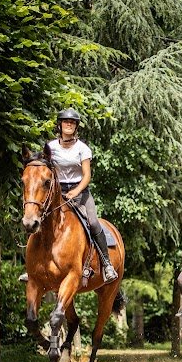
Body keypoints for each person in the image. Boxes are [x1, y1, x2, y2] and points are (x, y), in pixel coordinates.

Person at [47, 108, 117, 283]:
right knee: (38, 219)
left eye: (72, 123)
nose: (69, 125)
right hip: (56, 192)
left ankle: (107, 264)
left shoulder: (82, 148)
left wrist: (75, 191)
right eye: (66, 122)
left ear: (76, 126)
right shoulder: (51, 147)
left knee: (93, 222)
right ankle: (33, 267)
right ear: (60, 125)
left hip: (80, 193)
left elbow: (87, 175)